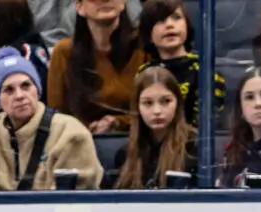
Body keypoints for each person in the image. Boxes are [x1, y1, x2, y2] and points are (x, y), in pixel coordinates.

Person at [0, 47, 102, 191]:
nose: (20, 96)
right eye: (8, 90)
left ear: (37, 90)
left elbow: (78, 197)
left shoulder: (70, 134)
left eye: (26, 86)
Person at [46, 0, 146, 133]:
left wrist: (117, 122)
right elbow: (56, 114)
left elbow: (158, 109)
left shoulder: (143, 47)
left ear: (123, 3)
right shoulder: (63, 52)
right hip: (78, 141)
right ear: (79, 7)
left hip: (137, 138)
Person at [137, 0, 224, 128]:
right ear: (148, 33)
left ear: (187, 26)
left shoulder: (205, 69)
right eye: (160, 20)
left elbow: (205, 125)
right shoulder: (143, 72)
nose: (169, 25)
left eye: (176, 18)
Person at [114, 66, 197, 189]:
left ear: (178, 103)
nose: (157, 111)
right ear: (137, 107)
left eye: (166, 101)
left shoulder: (195, 147)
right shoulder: (125, 153)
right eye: (148, 103)